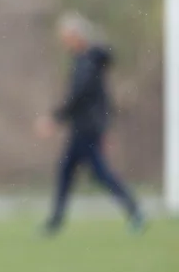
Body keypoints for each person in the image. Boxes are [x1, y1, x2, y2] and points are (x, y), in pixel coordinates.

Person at [35, 12, 144, 235]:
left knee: (96, 173)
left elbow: (80, 96)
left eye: (66, 37)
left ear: (76, 36)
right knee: (69, 172)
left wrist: (55, 118)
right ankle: (55, 221)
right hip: (85, 127)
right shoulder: (87, 60)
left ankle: (134, 211)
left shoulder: (87, 62)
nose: (64, 42)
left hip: (87, 129)